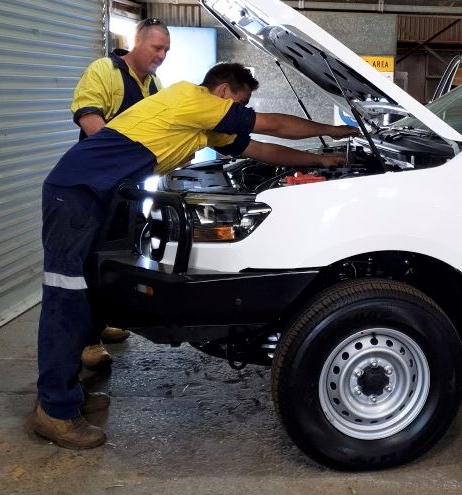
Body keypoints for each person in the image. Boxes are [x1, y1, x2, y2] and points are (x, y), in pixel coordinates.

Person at [34, 63, 359, 449]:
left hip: (98, 195)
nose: (240, 115)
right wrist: (331, 130)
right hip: (76, 193)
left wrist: (322, 162)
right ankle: (54, 411)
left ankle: (67, 396)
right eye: (240, 103)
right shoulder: (191, 97)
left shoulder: (201, 123)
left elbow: (261, 149)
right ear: (223, 91)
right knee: (66, 300)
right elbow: (269, 125)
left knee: (89, 298)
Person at [71, 18, 171, 369]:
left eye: (165, 51)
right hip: (95, 184)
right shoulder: (105, 71)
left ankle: (103, 320)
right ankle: (86, 341)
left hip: (128, 189)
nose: (161, 56)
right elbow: (89, 119)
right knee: (90, 262)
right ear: (137, 42)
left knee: (116, 259)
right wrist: (118, 160)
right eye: (156, 48)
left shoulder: (153, 84)